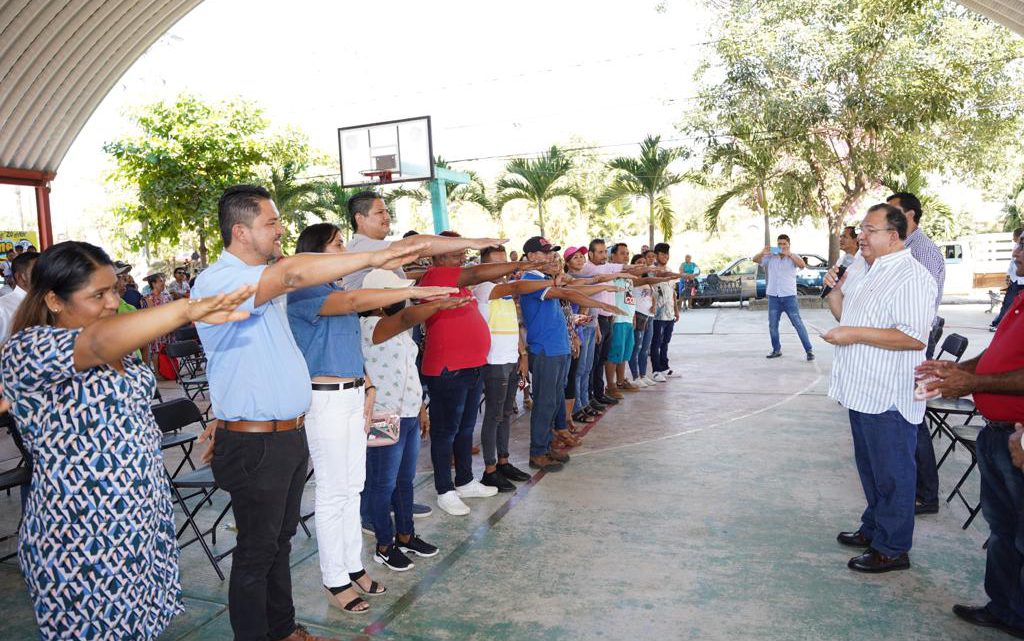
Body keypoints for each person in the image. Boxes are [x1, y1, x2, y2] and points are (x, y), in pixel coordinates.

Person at [192, 184, 429, 641]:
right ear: (241, 231)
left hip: (287, 432)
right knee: (256, 552)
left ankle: (283, 627)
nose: (281, 229)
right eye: (272, 222)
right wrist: (372, 258)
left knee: (278, 544)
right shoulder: (221, 281)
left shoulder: (270, 280)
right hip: (253, 438)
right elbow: (301, 278)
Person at [0, 240, 253, 641]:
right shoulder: (28, 349)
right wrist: (186, 309)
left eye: (114, 289)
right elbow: (95, 345)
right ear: (54, 300)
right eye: (97, 294)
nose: (112, 302)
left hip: (140, 524)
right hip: (81, 538)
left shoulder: (120, 351)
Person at [285, 223, 454, 610]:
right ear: (313, 253)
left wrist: (368, 384)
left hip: (352, 396)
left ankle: (352, 566)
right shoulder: (306, 291)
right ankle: (334, 578)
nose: (344, 250)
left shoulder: (335, 290)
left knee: (352, 488)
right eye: (338, 245)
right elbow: (352, 306)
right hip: (323, 400)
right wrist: (411, 290)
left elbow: (348, 343)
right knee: (332, 492)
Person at [914, 235, 1024, 636]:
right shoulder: (1020, 299)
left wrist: (974, 381)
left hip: (1018, 440)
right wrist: (957, 372)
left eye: (1022, 246)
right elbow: (997, 355)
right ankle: (1005, 609)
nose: (1014, 254)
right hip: (996, 435)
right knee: (1002, 529)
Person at [822, 203, 936, 573]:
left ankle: (892, 547)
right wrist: (833, 292)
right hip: (861, 388)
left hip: (888, 391)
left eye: (869, 230)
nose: (861, 237)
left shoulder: (912, 277)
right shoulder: (864, 270)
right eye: (860, 229)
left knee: (893, 473)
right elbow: (846, 317)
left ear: (894, 235)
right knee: (871, 469)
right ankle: (874, 528)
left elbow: (913, 337)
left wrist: (851, 333)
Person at [417, 233, 533, 516]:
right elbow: (478, 272)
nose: (460, 258)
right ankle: (445, 489)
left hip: (471, 366)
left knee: (466, 427)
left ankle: (465, 480)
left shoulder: (461, 284)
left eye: (461, 253)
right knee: (445, 431)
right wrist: (519, 265)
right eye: (454, 252)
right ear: (437, 256)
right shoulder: (435, 277)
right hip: (448, 368)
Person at [360, 269, 467, 574]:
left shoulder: (397, 328)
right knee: (383, 483)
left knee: (404, 481)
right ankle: (384, 544)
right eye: (396, 294)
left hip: (407, 410)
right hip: (383, 414)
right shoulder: (370, 326)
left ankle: (406, 535)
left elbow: (408, 369)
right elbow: (406, 319)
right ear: (379, 299)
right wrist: (436, 303)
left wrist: (421, 407)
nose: (403, 299)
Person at [519, 236, 624, 471]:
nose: (550, 257)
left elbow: (574, 287)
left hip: (558, 347)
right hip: (545, 349)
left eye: (551, 253)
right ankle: (537, 452)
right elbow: (567, 293)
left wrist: (602, 288)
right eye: (545, 253)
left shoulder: (546, 279)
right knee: (545, 402)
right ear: (531, 257)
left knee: (554, 400)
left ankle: (547, 445)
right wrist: (602, 303)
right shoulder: (531, 280)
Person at [886, 192, 947, 515]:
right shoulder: (905, 248)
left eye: (892, 211)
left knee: (913, 415)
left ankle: (926, 493)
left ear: (910, 215)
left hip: (917, 341)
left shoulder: (922, 251)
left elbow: (918, 309)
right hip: (909, 339)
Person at [472, 245, 551, 491]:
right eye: (497, 264)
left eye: (505, 262)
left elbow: (513, 323)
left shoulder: (504, 290)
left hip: (510, 357)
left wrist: (522, 352)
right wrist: (548, 279)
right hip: (494, 360)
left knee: (506, 414)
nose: (503, 268)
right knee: (494, 416)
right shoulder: (486, 288)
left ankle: (504, 461)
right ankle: (490, 469)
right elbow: (517, 287)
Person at [578, 239, 647, 407]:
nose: (603, 255)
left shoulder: (604, 267)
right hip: (596, 320)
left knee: (599, 361)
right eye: (600, 252)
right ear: (591, 254)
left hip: (608, 319)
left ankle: (596, 394)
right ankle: (589, 398)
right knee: (589, 365)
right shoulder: (589, 268)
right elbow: (606, 274)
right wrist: (623, 272)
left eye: (604, 252)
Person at [754, 235, 815, 361]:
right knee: (773, 325)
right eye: (779, 244)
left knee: (798, 324)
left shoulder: (793, 257)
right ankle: (776, 350)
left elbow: (802, 265)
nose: (781, 246)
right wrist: (762, 252)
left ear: (789, 244)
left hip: (789, 297)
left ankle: (809, 350)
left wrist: (789, 254)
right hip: (773, 297)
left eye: (784, 244)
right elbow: (755, 260)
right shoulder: (770, 257)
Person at [564, 246, 602, 422]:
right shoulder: (570, 280)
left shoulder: (586, 278)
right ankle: (577, 406)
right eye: (575, 257)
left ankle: (585, 402)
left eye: (581, 257)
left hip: (591, 326)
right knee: (578, 371)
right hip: (580, 328)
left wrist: (597, 328)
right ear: (568, 263)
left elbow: (593, 306)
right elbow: (581, 306)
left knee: (587, 368)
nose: (580, 260)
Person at [651, 243, 681, 379]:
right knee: (656, 342)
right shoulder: (651, 271)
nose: (665, 257)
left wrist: (676, 310)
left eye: (667, 254)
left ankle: (665, 367)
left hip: (669, 314)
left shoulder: (670, 270)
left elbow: (673, 293)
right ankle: (655, 370)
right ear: (656, 255)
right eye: (662, 254)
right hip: (656, 314)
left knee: (665, 342)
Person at [628, 253, 655, 387]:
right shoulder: (631, 280)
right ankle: (635, 376)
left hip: (649, 316)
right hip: (638, 315)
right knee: (636, 348)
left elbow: (652, 295)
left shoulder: (647, 280)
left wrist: (654, 306)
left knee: (645, 348)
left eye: (644, 262)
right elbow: (630, 300)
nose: (642, 265)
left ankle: (643, 374)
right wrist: (632, 315)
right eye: (639, 262)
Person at [990, 227, 1024, 332]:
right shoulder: (1017, 248)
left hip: (1020, 281)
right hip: (1015, 280)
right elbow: (1012, 266)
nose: (1016, 254)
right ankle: (998, 323)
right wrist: (1009, 277)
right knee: (1008, 303)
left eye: (1022, 245)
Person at [0, 250, 38, 343]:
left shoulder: (51, 302)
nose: (46, 275)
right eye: (38, 271)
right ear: (21, 277)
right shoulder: (2, 308)